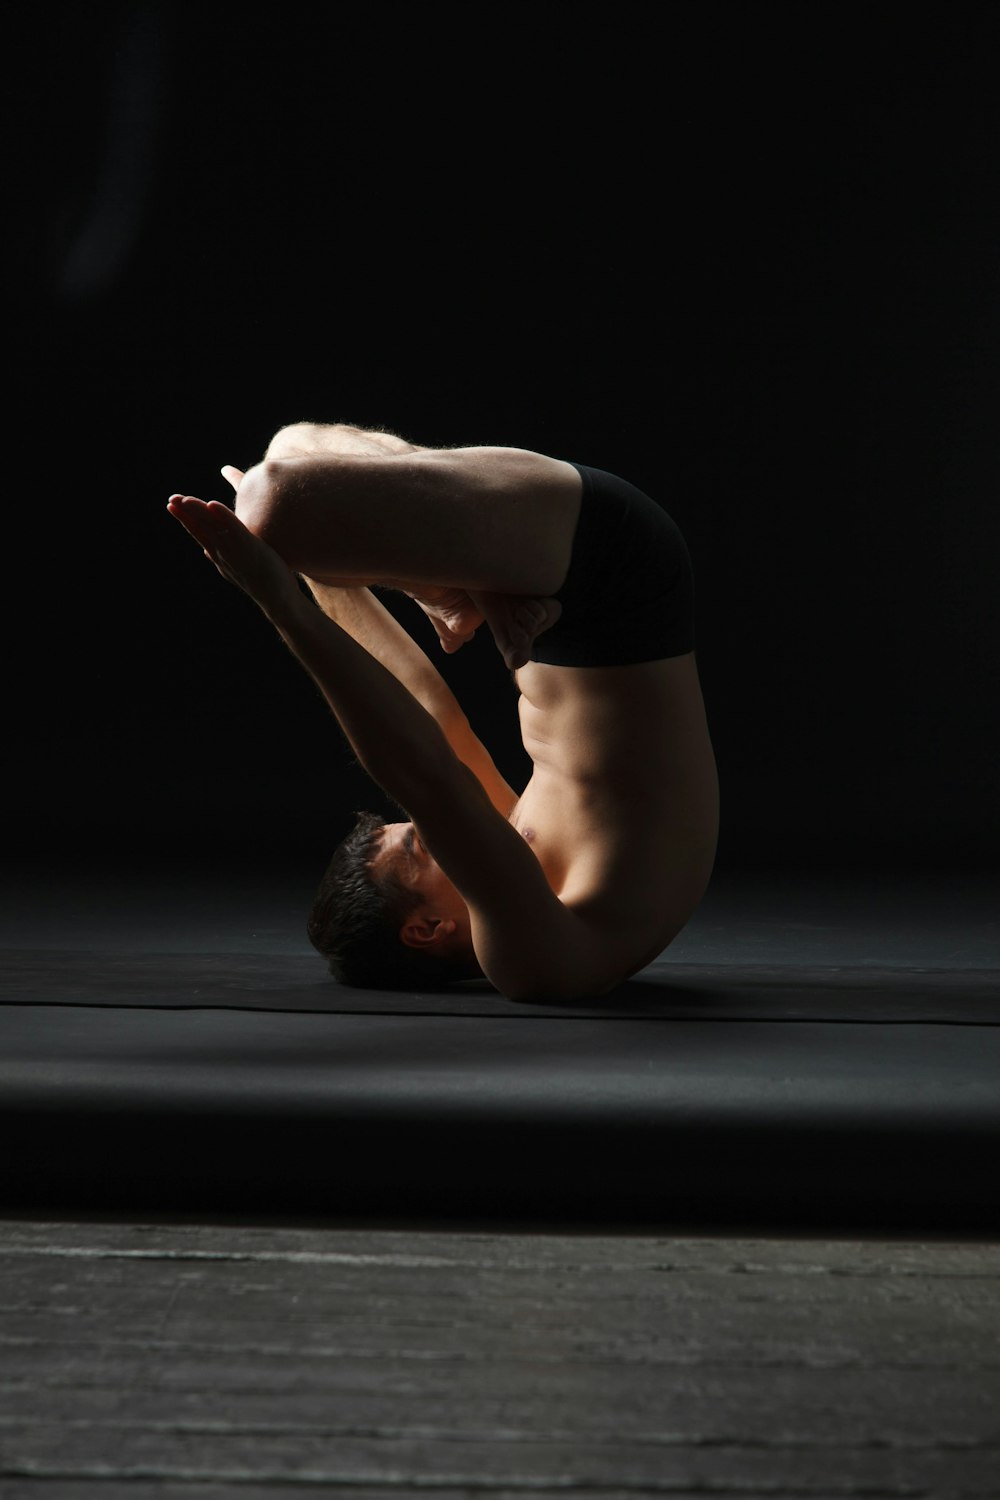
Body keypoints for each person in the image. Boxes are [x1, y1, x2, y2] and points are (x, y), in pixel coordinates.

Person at [167, 423, 719, 1000]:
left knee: (292, 446)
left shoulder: (525, 857)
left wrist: (306, 572)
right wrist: (278, 601)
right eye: (420, 845)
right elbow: (428, 778)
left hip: (565, 601)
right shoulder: (544, 962)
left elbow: (428, 707)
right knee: (273, 500)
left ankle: (466, 590)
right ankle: (464, 588)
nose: (433, 830)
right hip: (616, 580)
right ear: (426, 929)